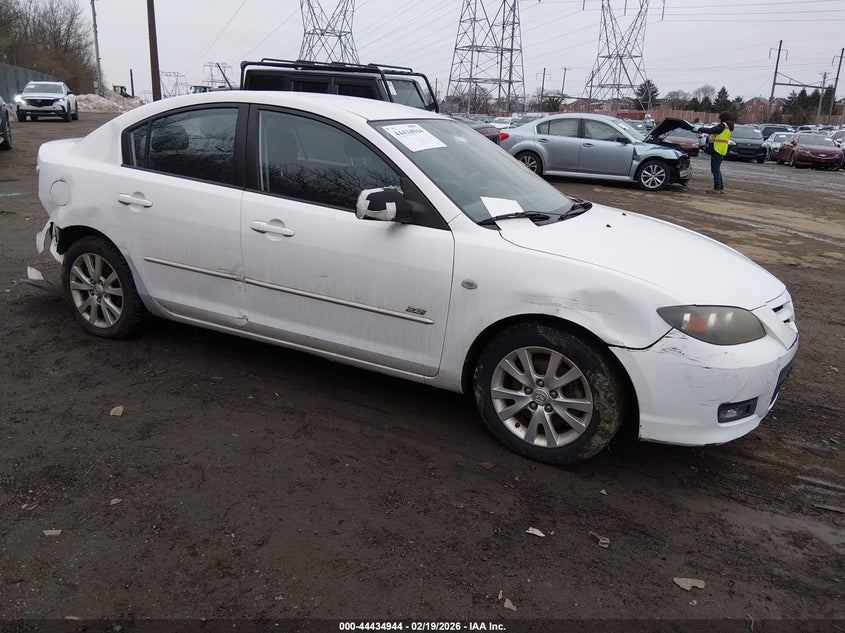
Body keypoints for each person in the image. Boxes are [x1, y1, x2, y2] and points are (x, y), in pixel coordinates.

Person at [699, 111, 735, 194]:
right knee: (717, 169)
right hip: (722, 149)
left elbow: (712, 130)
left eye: (720, 118)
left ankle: (717, 188)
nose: (719, 119)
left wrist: (701, 129)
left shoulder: (723, 125)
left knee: (715, 169)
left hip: (717, 148)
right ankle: (720, 187)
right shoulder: (730, 126)